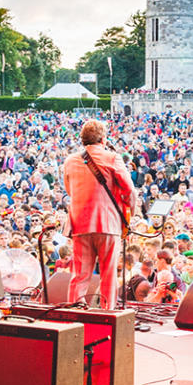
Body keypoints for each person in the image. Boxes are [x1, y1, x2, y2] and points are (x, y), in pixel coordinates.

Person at [63, 119, 137, 308]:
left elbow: (70, 190)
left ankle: (74, 316)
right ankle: (107, 315)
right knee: (108, 274)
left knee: (79, 275)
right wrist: (130, 216)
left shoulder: (70, 160)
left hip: (79, 224)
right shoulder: (112, 158)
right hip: (107, 224)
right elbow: (130, 190)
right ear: (103, 139)